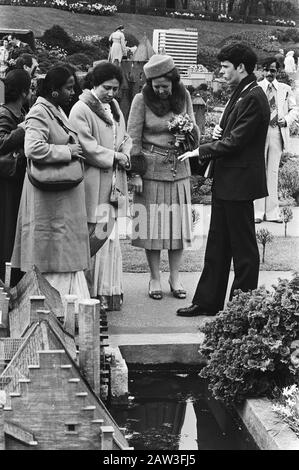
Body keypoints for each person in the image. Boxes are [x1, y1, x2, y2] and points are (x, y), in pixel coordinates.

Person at [176, 43, 270, 317]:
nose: (221, 72)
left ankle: (241, 309)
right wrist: (218, 132)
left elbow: (236, 141)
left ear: (241, 67)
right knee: (217, 245)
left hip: (239, 183)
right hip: (229, 181)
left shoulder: (253, 96)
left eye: (226, 67)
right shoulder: (243, 93)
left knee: (244, 252)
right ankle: (208, 302)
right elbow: (230, 133)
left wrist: (200, 149)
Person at [11, 65, 90, 301]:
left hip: (56, 193)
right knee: (51, 247)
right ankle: (54, 300)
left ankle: (61, 299)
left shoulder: (53, 109)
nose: (72, 93)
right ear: (54, 90)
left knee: (59, 245)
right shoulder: (39, 112)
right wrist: (68, 150)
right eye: (68, 88)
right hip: (48, 195)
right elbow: (33, 148)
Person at [127, 54, 199, 300]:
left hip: (179, 168)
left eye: (164, 86)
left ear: (173, 81)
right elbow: (132, 139)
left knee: (177, 228)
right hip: (151, 169)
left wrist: (187, 132)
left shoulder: (184, 96)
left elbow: (195, 133)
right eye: (155, 86)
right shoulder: (140, 100)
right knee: (152, 227)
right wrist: (135, 173)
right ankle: (155, 277)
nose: (160, 91)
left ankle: (175, 277)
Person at [69, 61, 132, 311]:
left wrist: (125, 152)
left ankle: (106, 293)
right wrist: (115, 156)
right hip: (92, 180)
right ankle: (87, 292)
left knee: (109, 236)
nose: (112, 93)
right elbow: (85, 146)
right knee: (92, 235)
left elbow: (125, 136)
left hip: (114, 180)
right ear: (94, 83)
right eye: (107, 87)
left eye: (116, 89)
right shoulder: (80, 108)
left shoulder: (114, 106)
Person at [254, 57, 299, 224]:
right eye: (266, 70)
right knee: (259, 171)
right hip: (259, 133)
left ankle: (272, 213)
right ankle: (258, 212)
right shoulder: (257, 88)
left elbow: (295, 109)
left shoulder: (285, 89)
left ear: (278, 71)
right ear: (262, 70)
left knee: (272, 172)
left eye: (272, 70)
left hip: (276, 132)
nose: (269, 73)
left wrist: (286, 119)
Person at [0, 70, 31, 287]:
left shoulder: (20, 111)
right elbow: (2, 142)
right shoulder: (5, 114)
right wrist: (22, 128)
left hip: (18, 180)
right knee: (8, 230)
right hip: (7, 182)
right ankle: (6, 281)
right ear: (24, 91)